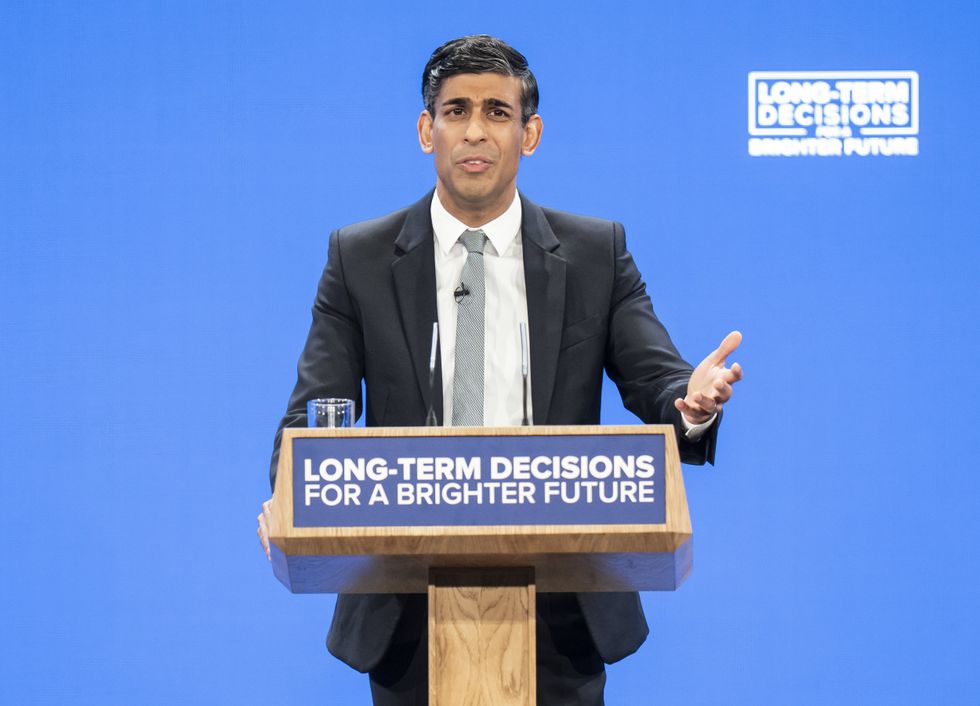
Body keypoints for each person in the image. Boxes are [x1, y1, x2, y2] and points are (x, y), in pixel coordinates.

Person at [258, 34, 742, 705]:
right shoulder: (359, 258)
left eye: (496, 112)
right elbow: (311, 415)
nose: (474, 132)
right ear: (427, 130)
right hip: (407, 609)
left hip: (563, 606)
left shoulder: (596, 253)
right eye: (455, 111)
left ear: (530, 133)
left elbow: (655, 378)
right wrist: (294, 488)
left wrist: (691, 403)